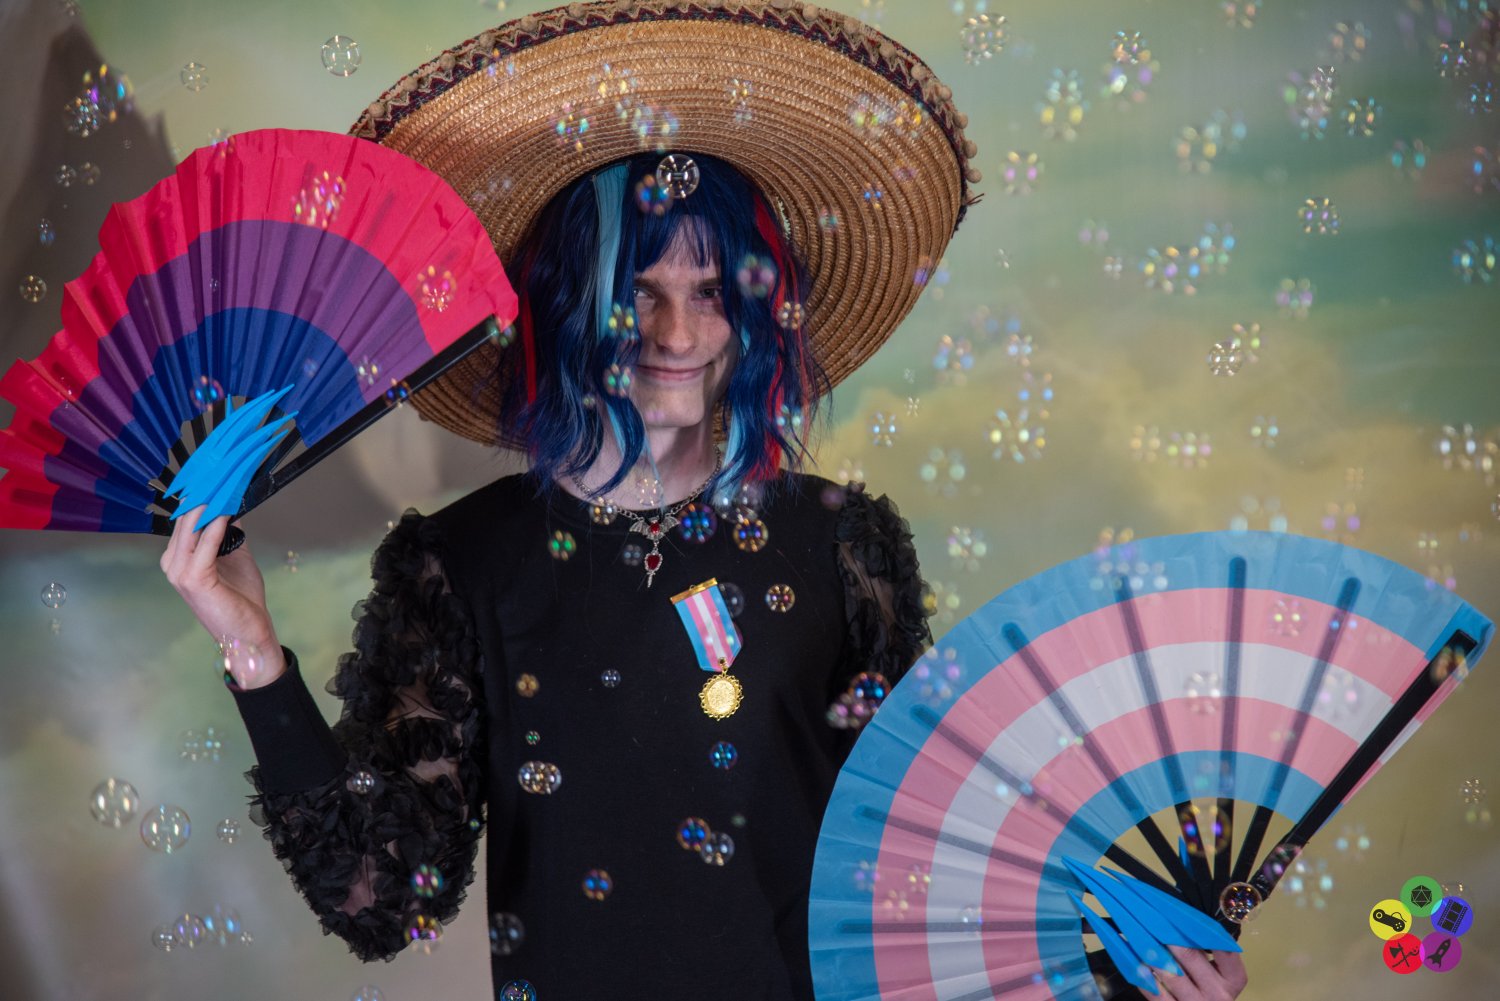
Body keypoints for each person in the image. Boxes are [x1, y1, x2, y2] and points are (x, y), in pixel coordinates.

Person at [160, 4, 1250, 999]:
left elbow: (931, 860)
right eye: (636, 294)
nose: (677, 336)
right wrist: (253, 651)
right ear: (564, 308)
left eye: (712, 292)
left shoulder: (842, 544)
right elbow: (380, 898)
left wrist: (1132, 970)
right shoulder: (459, 565)